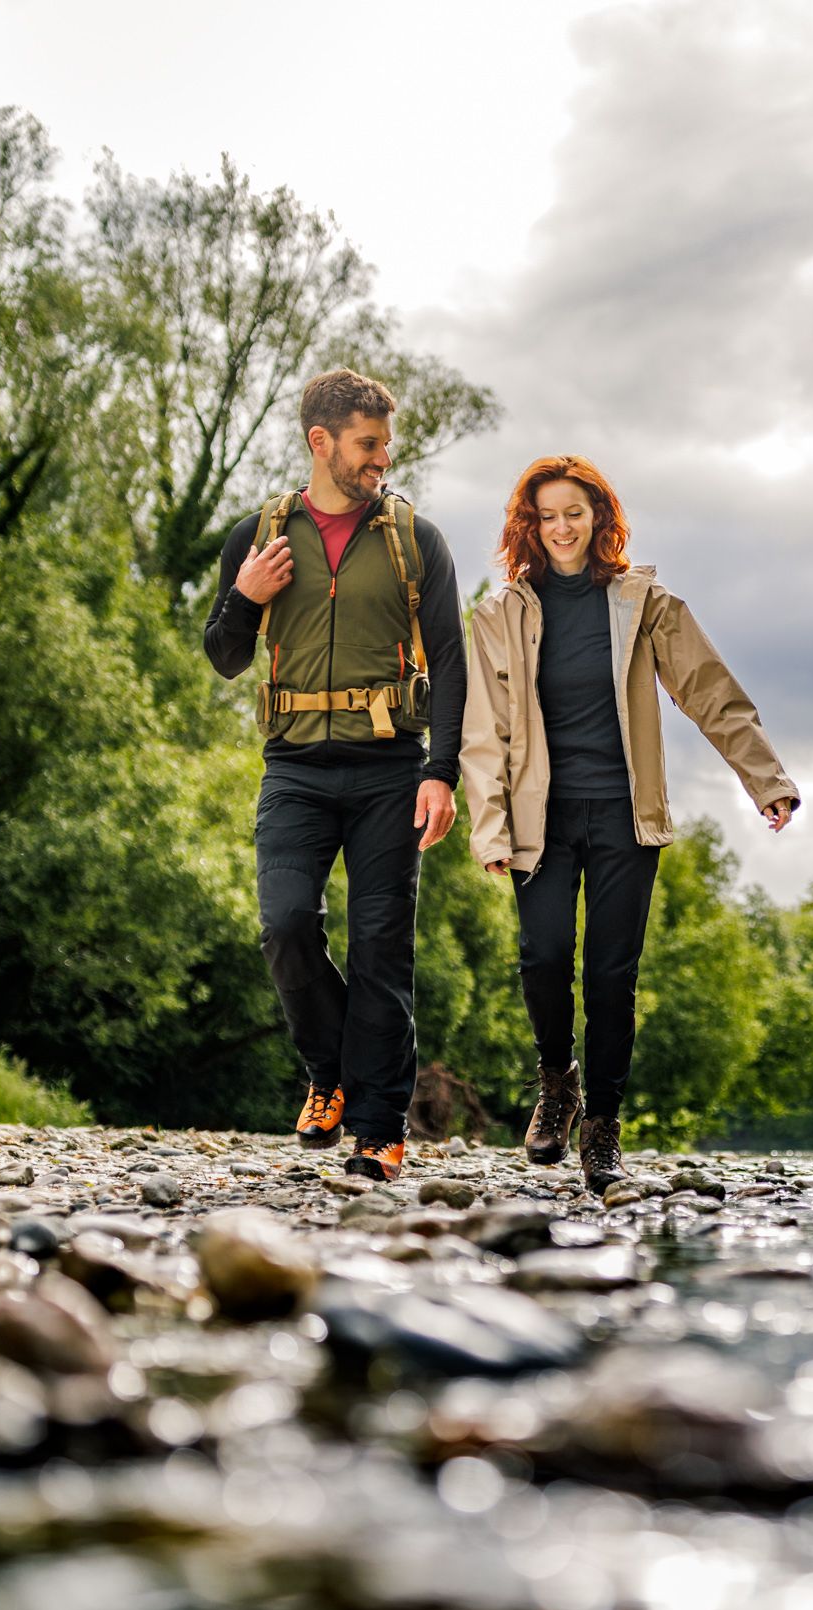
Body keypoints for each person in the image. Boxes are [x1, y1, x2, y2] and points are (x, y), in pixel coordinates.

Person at [461, 456, 798, 1193]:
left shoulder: (644, 604)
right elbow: (483, 734)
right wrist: (489, 830)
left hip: (623, 814)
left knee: (612, 977)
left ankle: (603, 1129)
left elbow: (710, 691)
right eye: (545, 516)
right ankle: (559, 1080)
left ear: (599, 517)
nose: (560, 528)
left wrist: (764, 780)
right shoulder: (500, 616)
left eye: (573, 513)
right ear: (528, 525)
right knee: (542, 956)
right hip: (538, 817)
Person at [203, 369, 466, 1181]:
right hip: (295, 769)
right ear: (320, 442)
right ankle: (331, 1075)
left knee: (383, 946)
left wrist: (442, 770)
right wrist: (245, 597)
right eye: (368, 443)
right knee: (285, 926)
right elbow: (223, 655)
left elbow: (451, 659)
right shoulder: (258, 534)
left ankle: (380, 1129)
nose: (382, 458)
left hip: (391, 768)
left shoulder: (415, 540)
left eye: (386, 444)